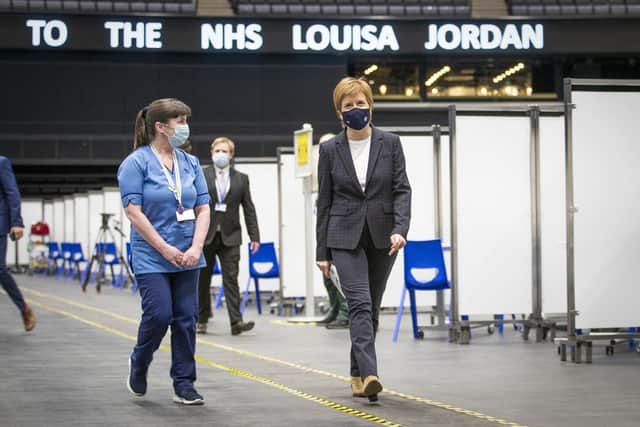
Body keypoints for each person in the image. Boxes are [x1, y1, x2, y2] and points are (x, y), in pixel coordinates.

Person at [315, 77, 411, 401]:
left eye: (360, 103)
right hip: (343, 235)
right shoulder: (329, 149)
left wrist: (401, 228)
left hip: (384, 235)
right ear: (339, 112)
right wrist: (322, 251)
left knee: (371, 308)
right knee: (358, 302)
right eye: (348, 105)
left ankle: (356, 373)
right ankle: (371, 373)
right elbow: (324, 202)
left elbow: (401, 190)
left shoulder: (391, 142)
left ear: (371, 105)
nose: (355, 109)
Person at [118, 98, 211, 405]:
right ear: (161, 127)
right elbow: (133, 212)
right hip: (151, 254)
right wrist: (164, 247)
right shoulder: (135, 163)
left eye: (186, 120)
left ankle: (184, 383)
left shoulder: (191, 163)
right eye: (180, 121)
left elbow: (203, 207)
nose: (185, 127)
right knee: (160, 315)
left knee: (186, 318)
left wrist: (196, 246)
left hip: (188, 253)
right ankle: (140, 360)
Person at [196, 137, 260, 336]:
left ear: (231, 155)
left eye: (224, 151)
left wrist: (254, 236)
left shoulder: (241, 178)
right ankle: (202, 319)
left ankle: (236, 322)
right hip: (205, 234)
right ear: (211, 152)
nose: (220, 155)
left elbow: (249, 209)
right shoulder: (201, 175)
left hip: (231, 236)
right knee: (202, 280)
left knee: (231, 278)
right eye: (217, 151)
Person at [315, 133, 349, 330]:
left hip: (342, 229)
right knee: (327, 275)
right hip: (326, 229)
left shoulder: (343, 166)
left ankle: (345, 313)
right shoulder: (322, 167)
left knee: (341, 275)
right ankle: (335, 309)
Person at [0, 156, 36, 332]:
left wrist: (16, 222)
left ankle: (24, 308)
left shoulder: (1, 162)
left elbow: (12, 192)